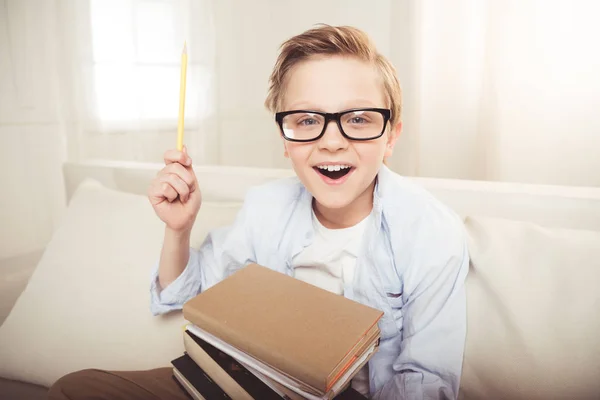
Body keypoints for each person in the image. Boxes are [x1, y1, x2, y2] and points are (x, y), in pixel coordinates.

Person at [48, 24, 469, 400]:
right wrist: (179, 229)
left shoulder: (431, 233)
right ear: (285, 139)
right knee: (75, 387)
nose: (332, 141)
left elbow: (427, 380)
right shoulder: (265, 208)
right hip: (240, 381)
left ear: (391, 137)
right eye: (306, 121)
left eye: (358, 119)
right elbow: (190, 294)